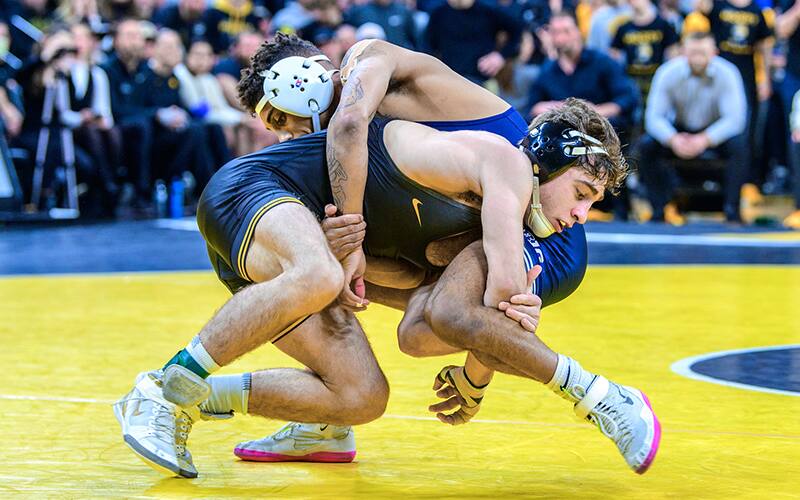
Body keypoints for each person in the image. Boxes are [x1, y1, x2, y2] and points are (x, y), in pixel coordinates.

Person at [113, 37, 658, 479]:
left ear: (303, 76)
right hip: (265, 201)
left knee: (364, 394)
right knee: (330, 274)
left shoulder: (366, 71)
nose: (295, 131)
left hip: (496, 216)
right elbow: (471, 297)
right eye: (280, 128)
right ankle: (163, 390)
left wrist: (477, 368)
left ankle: (275, 413)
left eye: (285, 120)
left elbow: (443, 315)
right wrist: (350, 247)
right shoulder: (363, 139)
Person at [637, 31, 748, 222]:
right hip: (679, 131)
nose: (697, 57)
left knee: (739, 145)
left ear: (714, 53)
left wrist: (705, 139)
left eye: (703, 53)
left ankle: (732, 210)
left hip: (714, 133)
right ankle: (659, 208)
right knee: (646, 145)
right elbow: (653, 118)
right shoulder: (667, 72)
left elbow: (735, 120)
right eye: (693, 52)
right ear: (683, 52)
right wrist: (673, 139)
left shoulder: (728, 73)